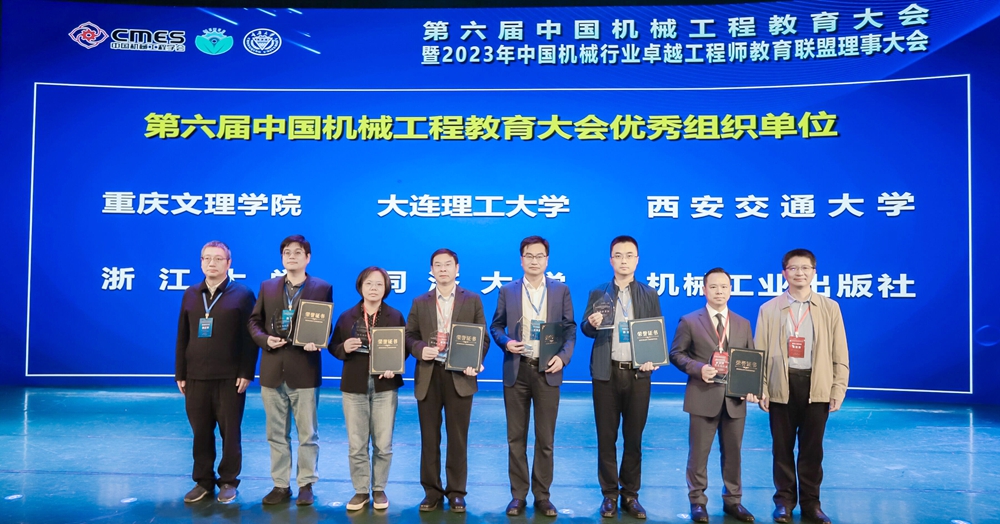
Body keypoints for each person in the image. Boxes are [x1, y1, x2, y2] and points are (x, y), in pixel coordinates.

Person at [756, 249, 850, 524]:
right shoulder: (769, 309)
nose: (800, 273)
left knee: (812, 451)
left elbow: (840, 353)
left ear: (814, 272)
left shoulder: (829, 308)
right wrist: (762, 388)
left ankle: (811, 504)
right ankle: (784, 502)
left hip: (816, 384)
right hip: (781, 385)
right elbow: (759, 352)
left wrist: (838, 388)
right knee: (781, 449)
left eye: (805, 268)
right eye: (793, 268)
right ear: (784, 273)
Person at [489, 236, 576, 517]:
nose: (534, 261)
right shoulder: (508, 291)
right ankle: (518, 496)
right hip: (517, 369)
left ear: (547, 260)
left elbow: (570, 329)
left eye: (539, 256)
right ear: (521, 259)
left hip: (547, 370)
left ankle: (542, 496)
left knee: (545, 439)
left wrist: (562, 358)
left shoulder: (560, 290)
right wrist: (506, 342)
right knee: (516, 438)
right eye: (529, 256)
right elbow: (496, 326)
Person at [248, 235, 333, 506]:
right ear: (282, 257)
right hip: (272, 369)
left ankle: (306, 484)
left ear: (308, 258)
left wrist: (318, 340)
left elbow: (326, 323)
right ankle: (280, 485)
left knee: (308, 433)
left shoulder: (322, 287)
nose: (292, 256)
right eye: (287, 252)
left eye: (298, 252)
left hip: (304, 370)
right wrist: (265, 340)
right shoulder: (268, 286)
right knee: (276, 433)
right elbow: (254, 322)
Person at [581, 235, 662, 520]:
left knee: (634, 438)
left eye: (629, 255)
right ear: (611, 260)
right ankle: (609, 495)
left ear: (637, 260)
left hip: (638, 374)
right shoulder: (598, 292)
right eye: (618, 255)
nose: (624, 260)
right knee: (606, 437)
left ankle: (630, 494)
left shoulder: (649, 294)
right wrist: (591, 324)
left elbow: (656, 332)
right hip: (606, 373)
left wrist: (654, 358)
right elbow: (585, 328)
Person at [669, 268, 758, 523]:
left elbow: (751, 360)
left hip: (734, 399)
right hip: (702, 395)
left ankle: (733, 501)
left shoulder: (742, 323)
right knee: (699, 454)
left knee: (733, 454)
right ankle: (697, 501)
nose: (720, 291)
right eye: (714, 287)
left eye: (724, 287)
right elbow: (676, 354)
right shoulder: (689, 321)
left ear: (731, 290)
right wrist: (698, 368)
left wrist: (752, 387)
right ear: (704, 290)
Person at [404, 248, 489, 513]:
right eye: (438, 265)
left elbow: (483, 338)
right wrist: (420, 349)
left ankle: (456, 492)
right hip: (429, 375)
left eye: (448, 264)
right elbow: (409, 336)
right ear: (431, 270)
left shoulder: (472, 299)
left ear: (457, 268)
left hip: (460, 376)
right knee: (429, 438)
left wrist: (475, 360)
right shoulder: (420, 301)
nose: (443, 269)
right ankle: (431, 492)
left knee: (458, 438)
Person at [175, 241, 258, 504]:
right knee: (200, 432)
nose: (212, 263)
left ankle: (229, 481)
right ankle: (203, 481)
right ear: (201, 262)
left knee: (230, 433)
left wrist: (246, 372)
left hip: (230, 378)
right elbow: (183, 335)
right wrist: (180, 373)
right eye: (207, 258)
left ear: (228, 263)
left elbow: (250, 338)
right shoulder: (191, 294)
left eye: (218, 259)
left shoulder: (242, 294)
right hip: (196, 376)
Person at [329, 267, 406, 512]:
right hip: (354, 385)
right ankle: (361, 490)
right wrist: (344, 348)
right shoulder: (347, 316)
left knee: (383, 443)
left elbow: (403, 348)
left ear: (386, 288)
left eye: (379, 284)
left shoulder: (395, 316)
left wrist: (394, 367)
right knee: (357, 443)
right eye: (369, 283)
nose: (374, 288)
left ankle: (379, 488)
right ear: (360, 286)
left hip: (385, 385)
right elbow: (333, 346)